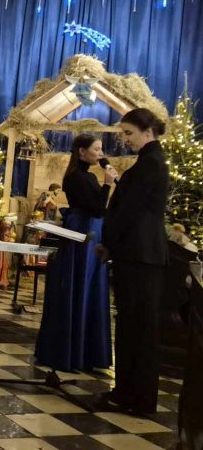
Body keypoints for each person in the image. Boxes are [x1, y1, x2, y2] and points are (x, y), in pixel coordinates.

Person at [100, 109, 169, 415]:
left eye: (128, 133)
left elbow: (130, 211)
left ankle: (136, 398)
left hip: (140, 254)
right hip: (139, 254)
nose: (124, 139)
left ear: (148, 131)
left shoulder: (150, 164)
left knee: (137, 329)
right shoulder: (149, 162)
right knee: (132, 327)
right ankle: (129, 392)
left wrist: (109, 244)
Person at [35, 134, 115, 373]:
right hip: (83, 232)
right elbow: (97, 208)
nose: (101, 154)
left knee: (91, 289)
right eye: (97, 149)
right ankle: (72, 352)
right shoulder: (76, 177)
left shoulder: (88, 176)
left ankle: (88, 352)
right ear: (82, 152)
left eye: (101, 150)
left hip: (92, 232)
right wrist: (108, 184)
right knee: (79, 286)